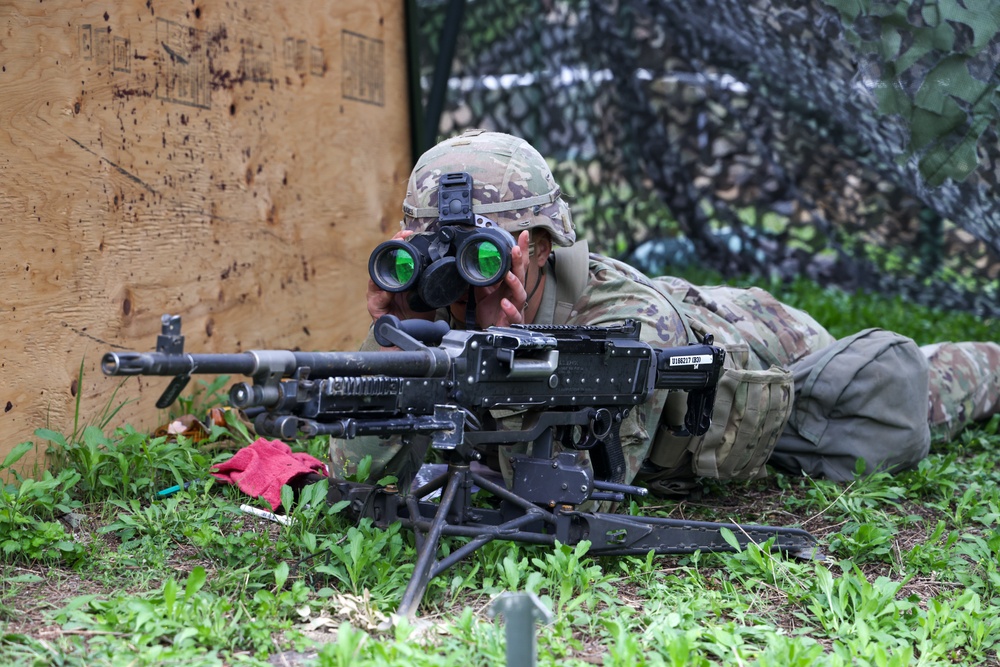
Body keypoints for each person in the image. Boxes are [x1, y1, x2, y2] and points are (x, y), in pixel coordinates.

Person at [331, 129, 1000, 496]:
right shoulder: (431, 312)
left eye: (479, 252)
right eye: (433, 250)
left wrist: (506, 359)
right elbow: (355, 474)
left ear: (534, 247)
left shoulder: (626, 324)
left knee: (909, 388)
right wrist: (392, 349)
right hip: (695, 316)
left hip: (770, 346)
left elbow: (572, 488)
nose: (455, 274)